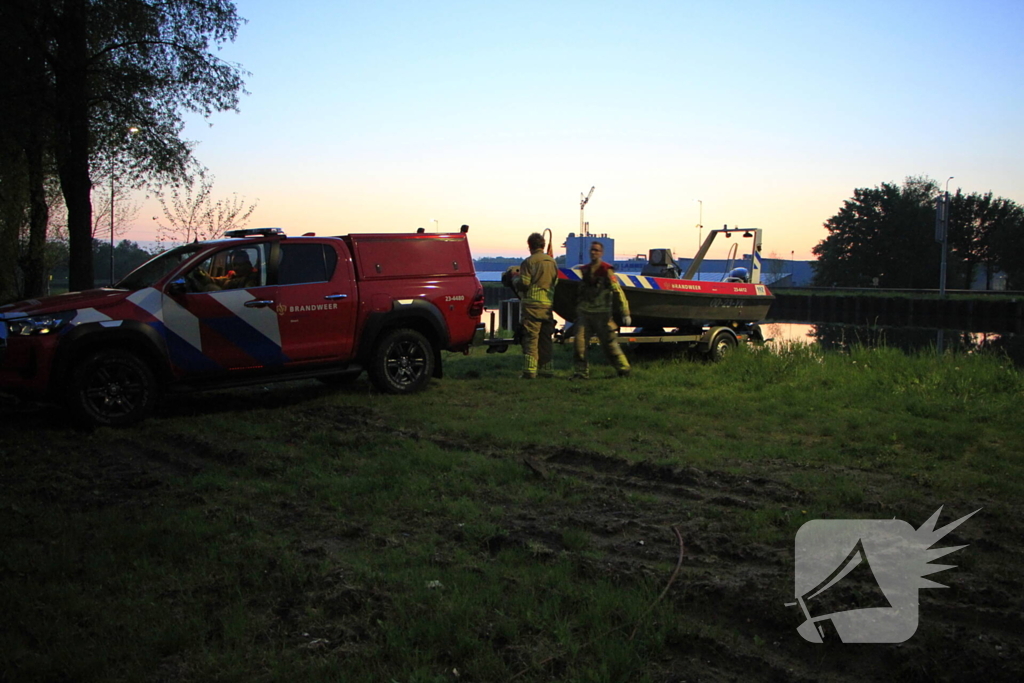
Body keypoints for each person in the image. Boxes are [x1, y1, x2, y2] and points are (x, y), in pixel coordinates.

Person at [572, 241, 631, 379]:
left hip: (602, 314)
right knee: (579, 345)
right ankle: (581, 373)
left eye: (597, 250)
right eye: (592, 250)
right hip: (585, 313)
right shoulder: (585, 270)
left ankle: (624, 369)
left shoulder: (606, 270)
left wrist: (625, 312)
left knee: (610, 345)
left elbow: (617, 291)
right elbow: (580, 292)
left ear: (601, 253)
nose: (594, 252)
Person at [514, 232, 559, 379]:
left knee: (531, 339)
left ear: (530, 246)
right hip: (547, 306)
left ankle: (529, 372)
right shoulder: (552, 262)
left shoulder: (529, 262)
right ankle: (547, 370)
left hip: (532, 306)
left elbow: (524, 283)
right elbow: (555, 282)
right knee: (546, 339)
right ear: (543, 245)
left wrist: (515, 281)